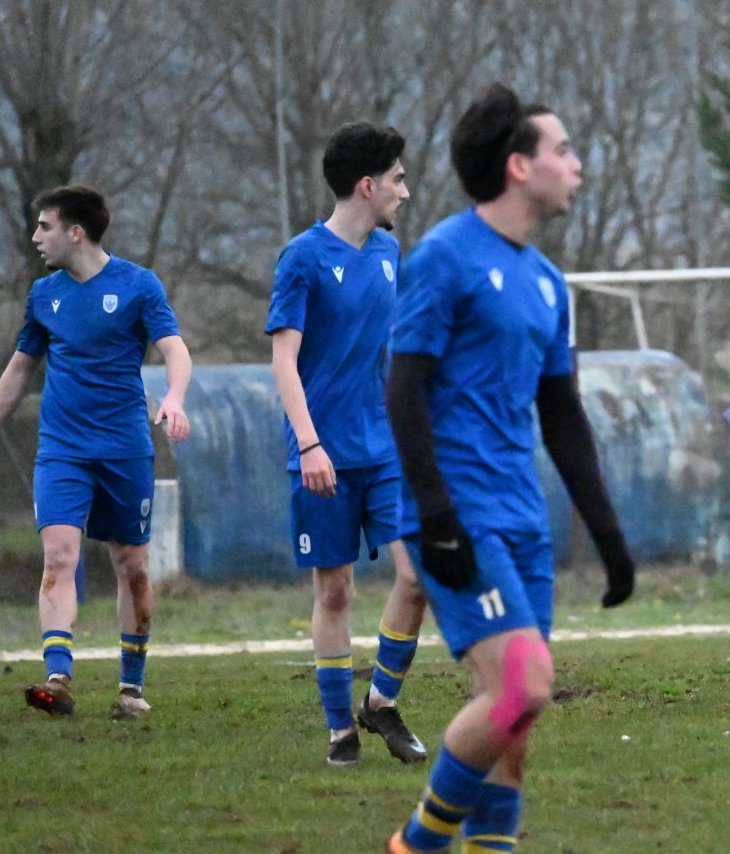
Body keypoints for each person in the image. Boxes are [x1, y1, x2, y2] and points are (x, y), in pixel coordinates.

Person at [384, 83, 635, 854]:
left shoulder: (548, 282)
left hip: (522, 520)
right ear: (520, 166)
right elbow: (403, 388)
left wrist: (607, 533)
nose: (577, 164)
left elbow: (563, 416)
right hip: (460, 518)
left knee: (515, 723)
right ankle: (417, 844)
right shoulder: (444, 256)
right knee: (524, 686)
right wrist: (435, 512)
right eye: (563, 149)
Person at [0, 185, 192, 720]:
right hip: (62, 449)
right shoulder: (44, 295)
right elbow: (20, 369)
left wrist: (175, 397)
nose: (36, 237)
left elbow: (175, 349)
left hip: (124, 449)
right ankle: (58, 678)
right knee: (60, 556)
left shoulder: (138, 285)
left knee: (131, 565)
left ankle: (131, 688)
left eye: (45, 226)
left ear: (76, 232)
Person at [266, 121, 430, 768]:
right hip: (322, 454)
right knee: (334, 593)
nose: (404, 192)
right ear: (367, 185)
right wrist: (310, 446)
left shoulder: (389, 252)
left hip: (385, 448)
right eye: (397, 179)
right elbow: (284, 361)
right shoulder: (301, 258)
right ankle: (341, 730)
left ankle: (381, 702)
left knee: (417, 574)